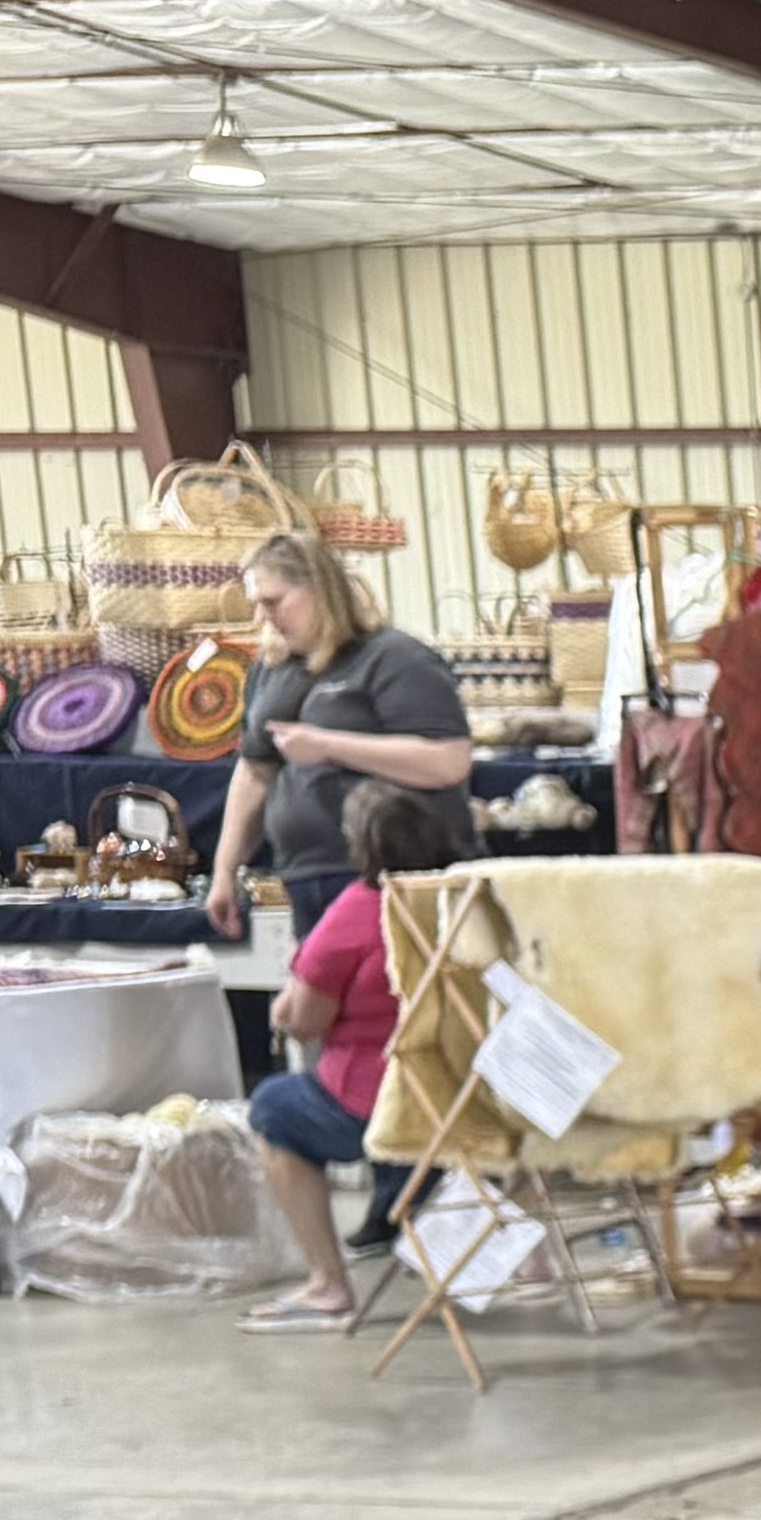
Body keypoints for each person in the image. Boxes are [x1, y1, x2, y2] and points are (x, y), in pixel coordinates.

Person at [236, 781, 463, 1332]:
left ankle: (328, 1284)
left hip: (381, 1097)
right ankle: (532, 1265)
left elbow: (306, 1020)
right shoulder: (463, 897)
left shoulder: (360, 910)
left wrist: (287, 1009)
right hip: (464, 1093)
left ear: (361, 846)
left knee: (273, 1106)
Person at [201, 531, 474, 964]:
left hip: (393, 881)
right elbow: (254, 773)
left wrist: (329, 746)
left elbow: (448, 762)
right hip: (308, 877)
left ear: (320, 590)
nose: (262, 618)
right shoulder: (270, 670)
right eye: (255, 604)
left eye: (273, 602)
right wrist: (223, 873)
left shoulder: (395, 658)